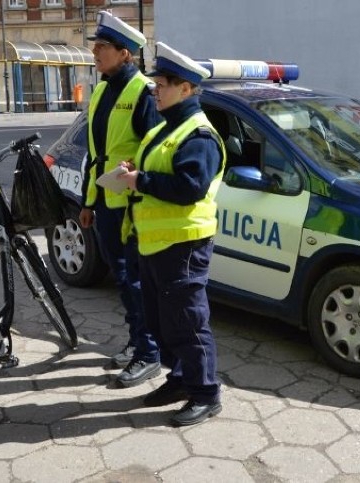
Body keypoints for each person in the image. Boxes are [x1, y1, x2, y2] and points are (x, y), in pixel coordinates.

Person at [119, 42, 225, 426]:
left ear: (186, 88)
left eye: (162, 84)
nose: (154, 90)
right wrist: (135, 170)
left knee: (188, 321)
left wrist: (141, 179)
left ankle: (206, 393)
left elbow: (190, 187)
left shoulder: (198, 134)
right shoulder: (166, 128)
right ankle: (181, 379)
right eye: (155, 84)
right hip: (156, 242)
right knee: (162, 320)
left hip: (183, 245)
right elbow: (156, 170)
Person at [82, 11, 162, 387]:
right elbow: (95, 151)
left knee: (134, 280)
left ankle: (149, 353)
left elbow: (157, 151)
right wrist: (87, 202)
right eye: (95, 46)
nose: (95, 52)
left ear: (125, 53)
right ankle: (137, 342)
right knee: (123, 278)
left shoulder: (143, 92)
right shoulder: (101, 88)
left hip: (131, 206)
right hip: (104, 203)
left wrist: (136, 171)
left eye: (102, 47)